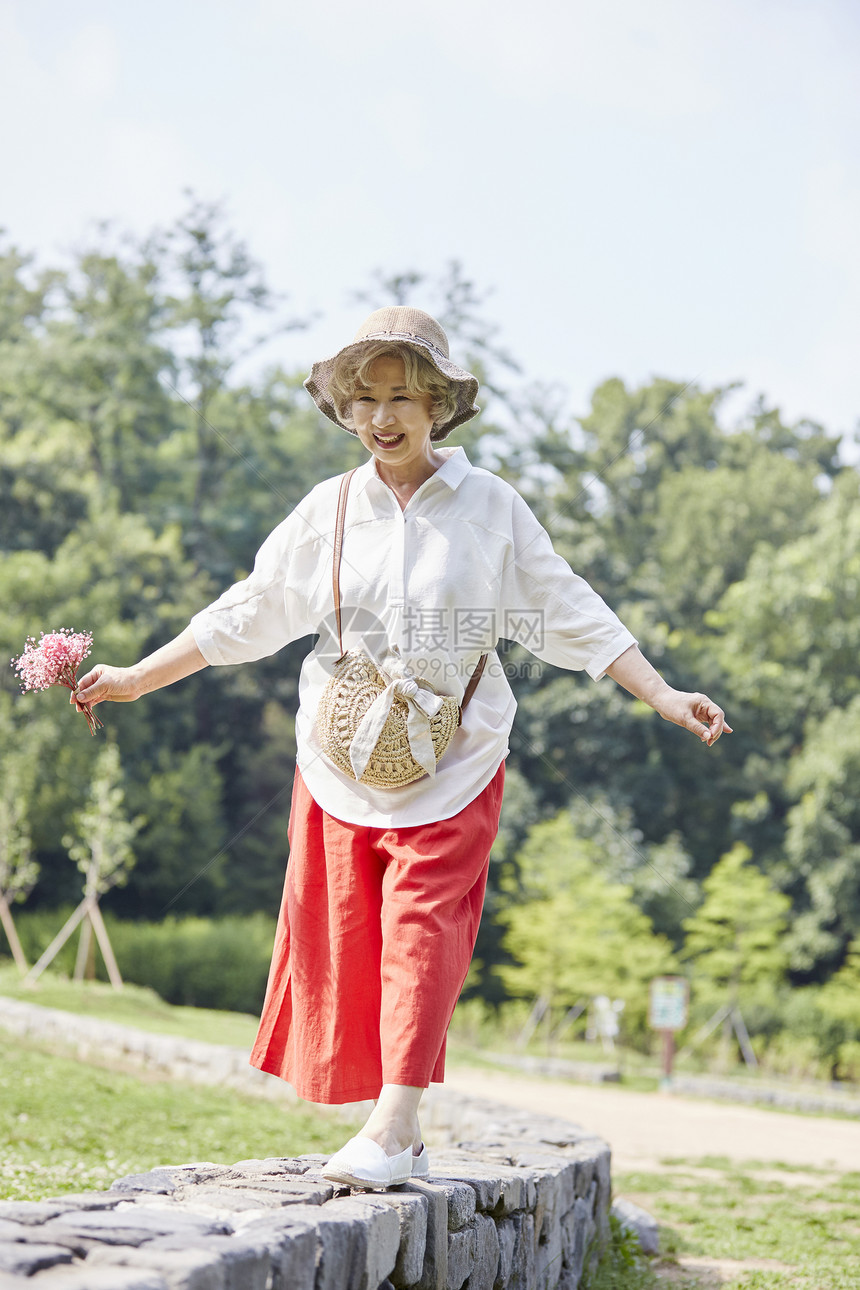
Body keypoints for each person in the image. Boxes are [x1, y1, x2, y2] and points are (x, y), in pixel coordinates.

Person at [73, 306, 731, 1190]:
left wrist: (660, 692)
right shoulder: (330, 509)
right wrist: (132, 678)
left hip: (456, 757)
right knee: (348, 934)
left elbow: (564, 606)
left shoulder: (491, 506)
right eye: (366, 398)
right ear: (346, 410)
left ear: (438, 405)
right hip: (344, 760)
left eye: (403, 396)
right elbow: (249, 611)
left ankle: (397, 1121)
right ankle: (389, 1120)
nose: (383, 416)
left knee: (424, 928)